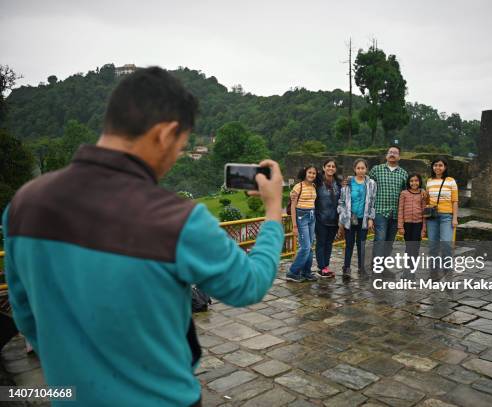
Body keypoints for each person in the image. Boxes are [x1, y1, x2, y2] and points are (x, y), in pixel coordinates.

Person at [2, 67, 285, 407]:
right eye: (180, 147)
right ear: (165, 134)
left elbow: (26, 314)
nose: (176, 157)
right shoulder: (178, 220)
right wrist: (272, 210)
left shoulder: (25, 204)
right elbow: (249, 284)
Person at [369, 145, 409, 266]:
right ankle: (376, 265)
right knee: (380, 239)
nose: (392, 154)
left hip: (396, 213)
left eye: (395, 153)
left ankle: (383, 264)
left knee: (389, 242)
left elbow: (406, 192)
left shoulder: (403, 173)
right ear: (386, 155)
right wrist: (352, 179)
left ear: (399, 157)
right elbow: (366, 184)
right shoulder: (377, 170)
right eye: (390, 152)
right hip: (380, 211)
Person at [338, 159, 376, 280]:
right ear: (354, 169)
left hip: (363, 218)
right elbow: (342, 202)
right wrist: (343, 217)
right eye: (358, 168)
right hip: (351, 217)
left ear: (366, 169)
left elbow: (372, 202)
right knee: (349, 244)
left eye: (363, 168)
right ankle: (347, 268)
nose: (360, 170)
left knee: (361, 244)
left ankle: (361, 267)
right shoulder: (348, 183)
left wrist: (370, 218)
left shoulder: (371, 184)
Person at [425, 157, 459, 273]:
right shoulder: (429, 181)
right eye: (435, 165)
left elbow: (455, 201)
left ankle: (447, 269)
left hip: (446, 216)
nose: (437, 167)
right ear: (432, 167)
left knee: (446, 244)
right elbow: (427, 200)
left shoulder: (451, 181)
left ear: (445, 167)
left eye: (440, 165)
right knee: (433, 246)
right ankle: (433, 271)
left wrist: (455, 218)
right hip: (432, 217)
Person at [286, 165, 319, 282]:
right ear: (305, 173)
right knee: (305, 247)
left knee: (310, 247)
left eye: (314, 173)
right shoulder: (298, 187)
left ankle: (306, 272)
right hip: (301, 217)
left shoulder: (314, 186)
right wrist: (294, 225)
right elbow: (293, 207)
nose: (311, 175)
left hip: (312, 217)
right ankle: (292, 272)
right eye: (309, 172)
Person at [313, 159, 342, 278]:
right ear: (324, 168)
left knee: (329, 243)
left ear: (335, 169)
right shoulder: (317, 182)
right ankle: (321, 267)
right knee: (321, 243)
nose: (331, 168)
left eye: (333, 166)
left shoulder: (338, 183)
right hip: (321, 218)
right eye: (328, 166)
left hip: (334, 219)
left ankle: (326, 266)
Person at [397, 173, 427, 273]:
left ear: (420, 182)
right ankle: (407, 270)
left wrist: (424, 229)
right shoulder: (404, 193)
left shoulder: (422, 194)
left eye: (416, 180)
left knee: (415, 247)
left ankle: (412, 270)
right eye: (411, 181)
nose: (414, 183)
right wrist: (400, 226)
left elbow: (424, 212)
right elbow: (400, 210)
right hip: (407, 224)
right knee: (409, 247)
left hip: (418, 224)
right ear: (408, 182)